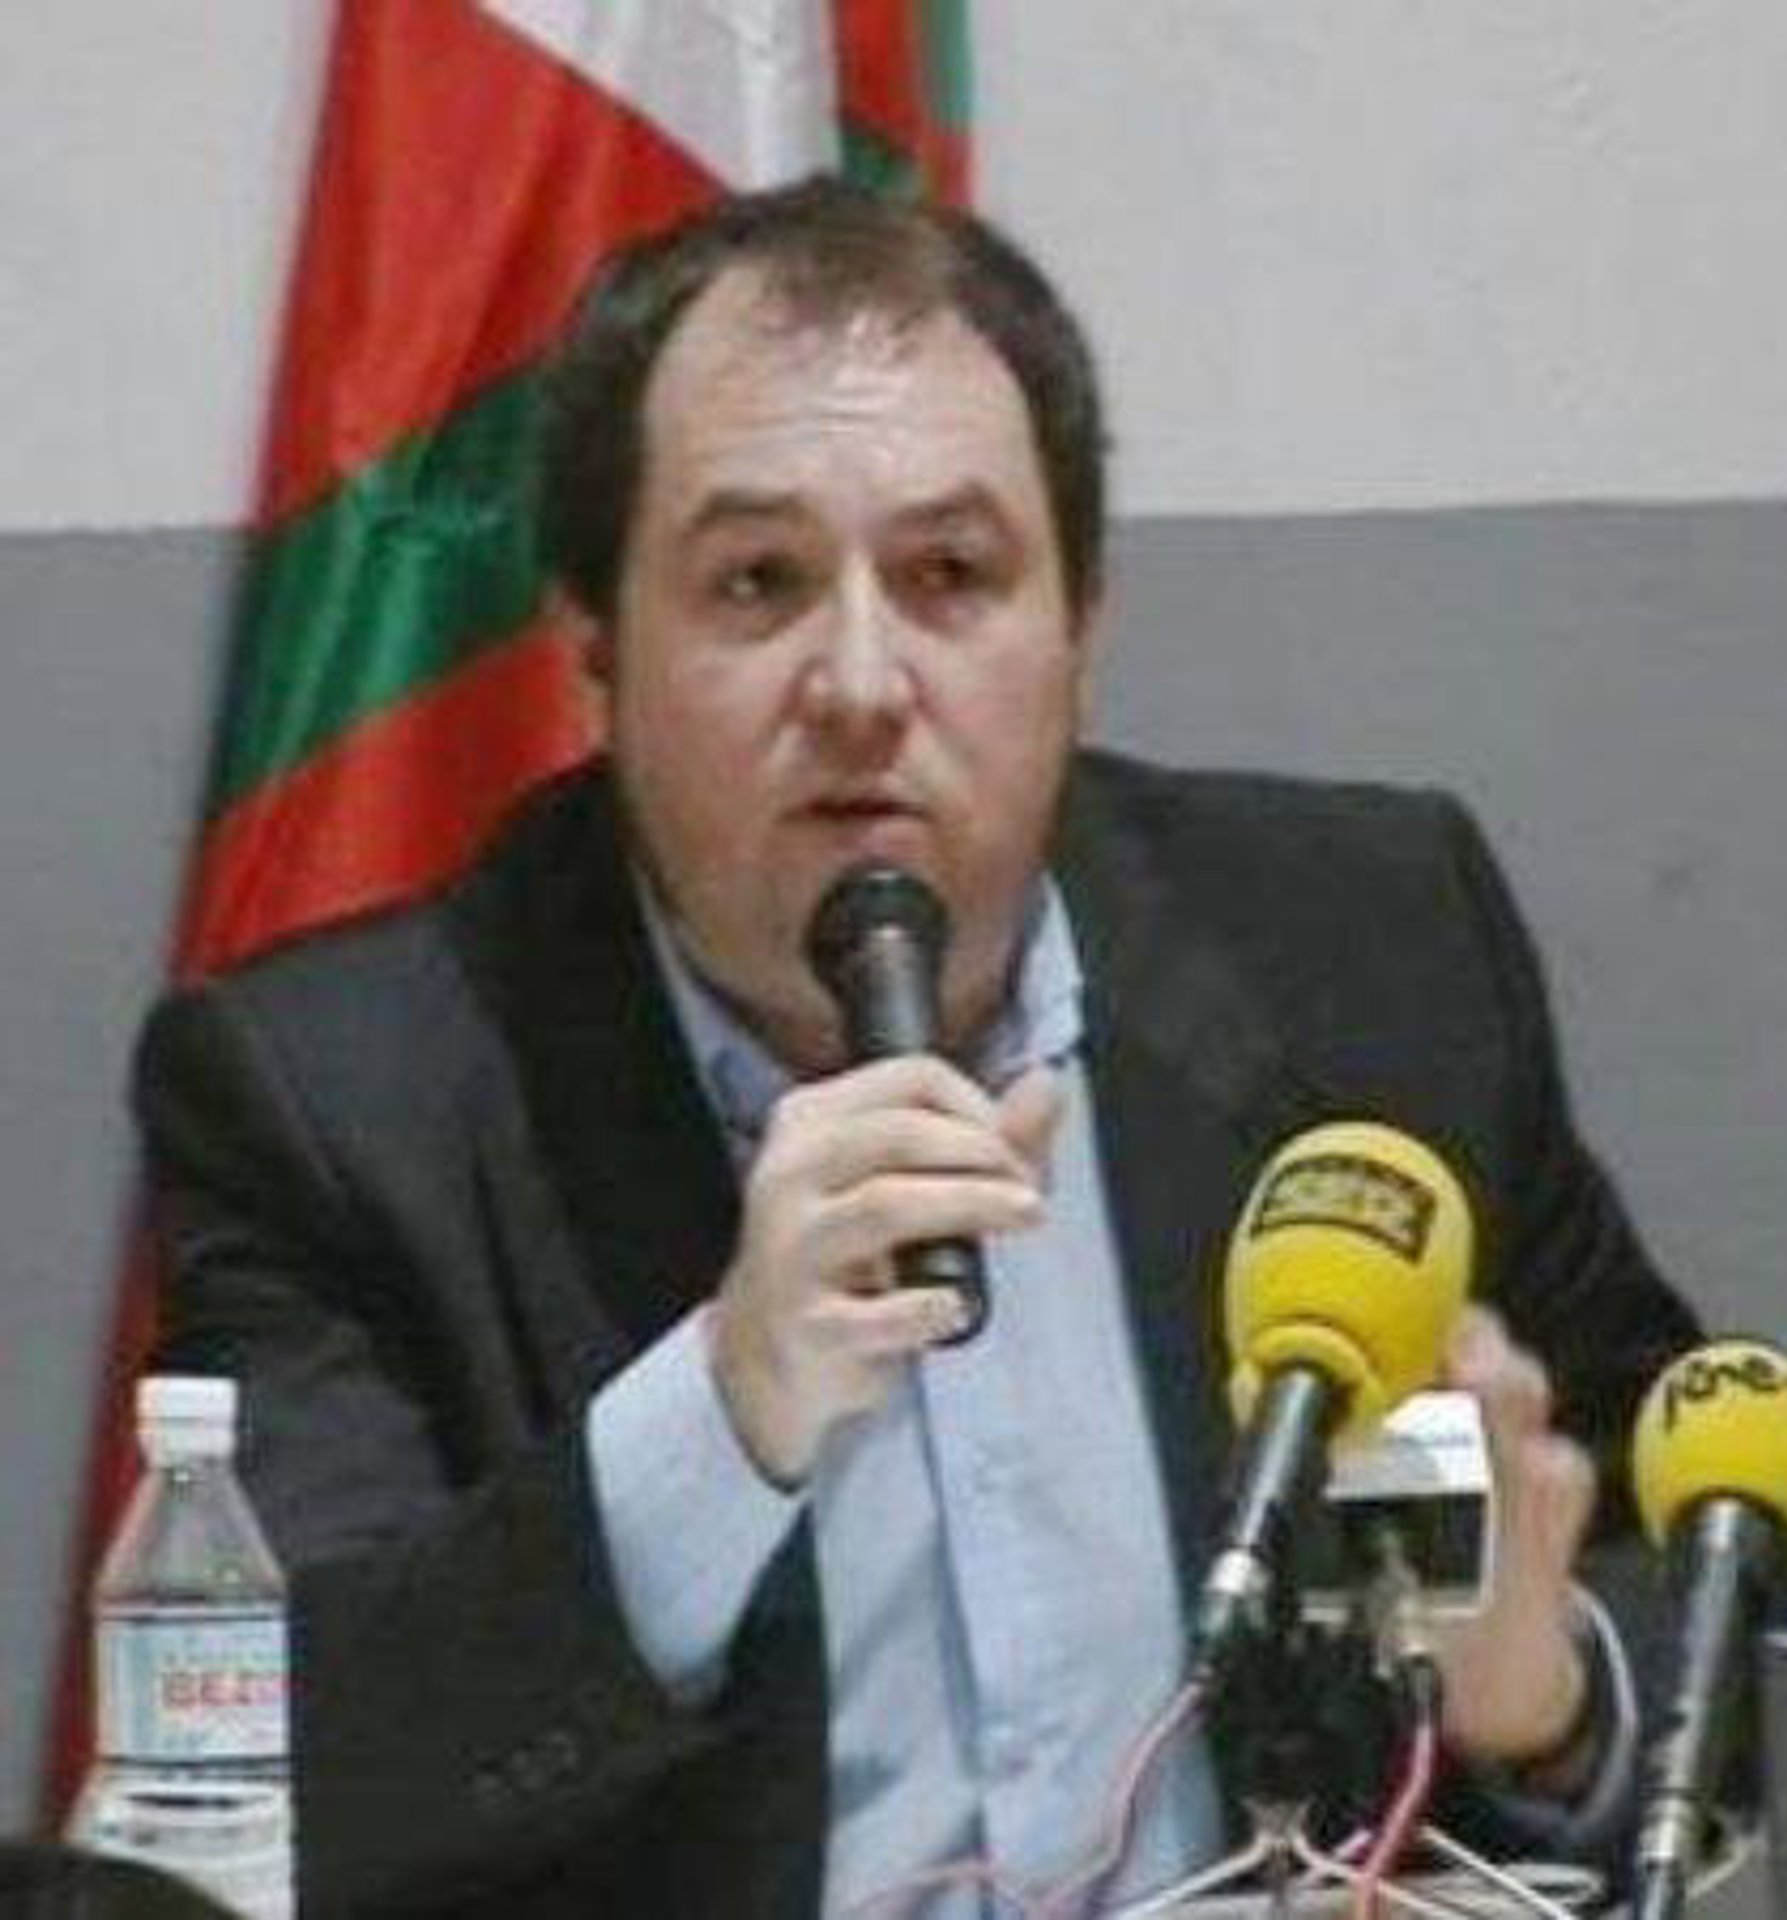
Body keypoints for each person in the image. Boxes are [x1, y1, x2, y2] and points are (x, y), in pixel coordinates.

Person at [135, 179, 1702, 1918]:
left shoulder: (1370, 951)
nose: (864, 685)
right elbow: (277, 1790)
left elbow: (1735, 1575)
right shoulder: (339, 1098)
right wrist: (719, 1416)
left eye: (953, 576)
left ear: (1082, 626)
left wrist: (1554, 1699)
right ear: (594, 656)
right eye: (758, 584)